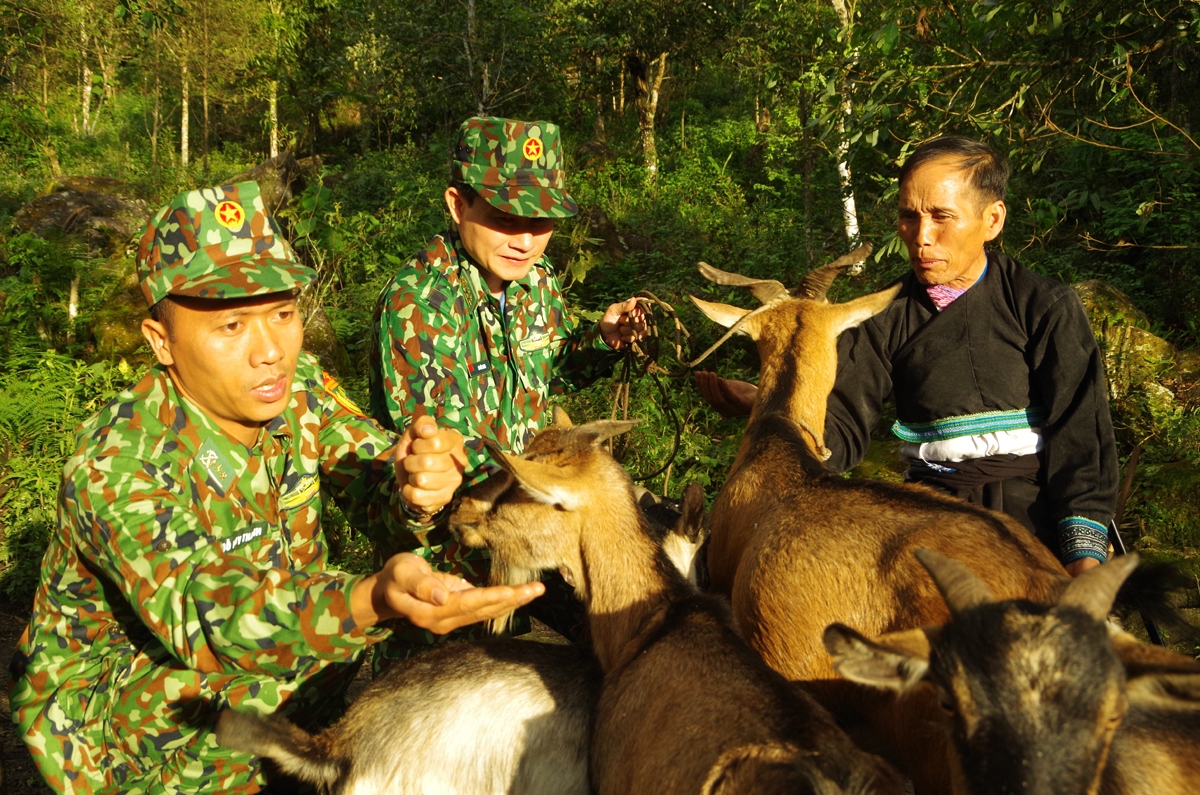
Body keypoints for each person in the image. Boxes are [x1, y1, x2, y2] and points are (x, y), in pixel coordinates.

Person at [8, 181, 544, 795]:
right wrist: (370, 599)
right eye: (232, 324)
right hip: (139, 738)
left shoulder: (299, 390)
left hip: (275, 705)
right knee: (247, 679)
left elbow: (373, 472)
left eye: (284, 314)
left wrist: (416, 486)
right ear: (161, 342)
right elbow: (213, 619)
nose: (271, 352)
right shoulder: (118, 459)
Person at [697, 136, 1118, 576]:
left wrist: (1083, 559)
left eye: (942, 217)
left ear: (992, 219)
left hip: (1031, 514)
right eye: (908, 217)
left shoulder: (1043, 305)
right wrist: (772, 405)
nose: (921, 238)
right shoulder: (885, 316)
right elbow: (839, 432)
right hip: (927, 515)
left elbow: (1082, 440)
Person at [368, 117, 647, 661]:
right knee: (441, 708)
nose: (525, 241)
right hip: (448, 561)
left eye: (541, 222)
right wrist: (559, 494)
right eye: (503, 219)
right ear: (457, 205)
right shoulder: (418, 304)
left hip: (526, 532)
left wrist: (602, 340)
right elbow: (442, 455)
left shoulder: (535, 283)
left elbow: (551, 366)